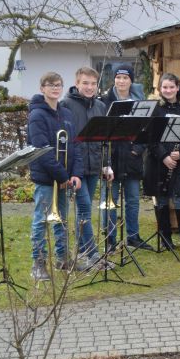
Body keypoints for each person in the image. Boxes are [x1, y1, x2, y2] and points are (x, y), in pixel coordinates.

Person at [27, 72, 84, 280]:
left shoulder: (66, 114)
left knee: (62, 220)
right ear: (42, 88)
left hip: (65, 177)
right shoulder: (37, 115)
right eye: (50, 85)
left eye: (58, 85)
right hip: (46, 178)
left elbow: (75, 146)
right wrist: (62, 177)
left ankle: (63, 259)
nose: (55, 88)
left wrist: (76, 174)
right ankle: (38, 264)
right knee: (41, 221)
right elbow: (41, 150)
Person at [59, 66, 111, 264]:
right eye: (85, 83)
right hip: (76, 169)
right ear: (77, 83)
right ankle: (93, 255)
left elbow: (105, 138)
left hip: (94, 165)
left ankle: (83, 250)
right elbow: (65, 141)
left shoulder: (99, 106)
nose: (90, 87)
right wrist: (71, 170)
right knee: (85, 208)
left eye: (93, 84)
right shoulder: (66, 105)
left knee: (85, 211)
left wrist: (107, 164)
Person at [143, 73, 180, 253]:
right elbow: (150, 138)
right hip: (160, 162)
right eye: (164, 87)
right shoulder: (155, 110)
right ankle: (165, 239)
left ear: (177, 88)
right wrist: (164, 156)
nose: (168, 90)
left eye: (171, 87)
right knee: (162, 200)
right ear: (160, 89)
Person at [103, 65, 153, 251]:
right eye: (118, 77)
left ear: (131, 81)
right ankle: (110, 240)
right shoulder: (105, 102)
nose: (121, 81)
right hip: (112, 159)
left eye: (125, 78)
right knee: (110, 202)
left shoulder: (139, 102)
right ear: (114, 80)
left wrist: (138, 149)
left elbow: (146, 131)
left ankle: (133, 236)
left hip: (132, 158)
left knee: (132, 201)